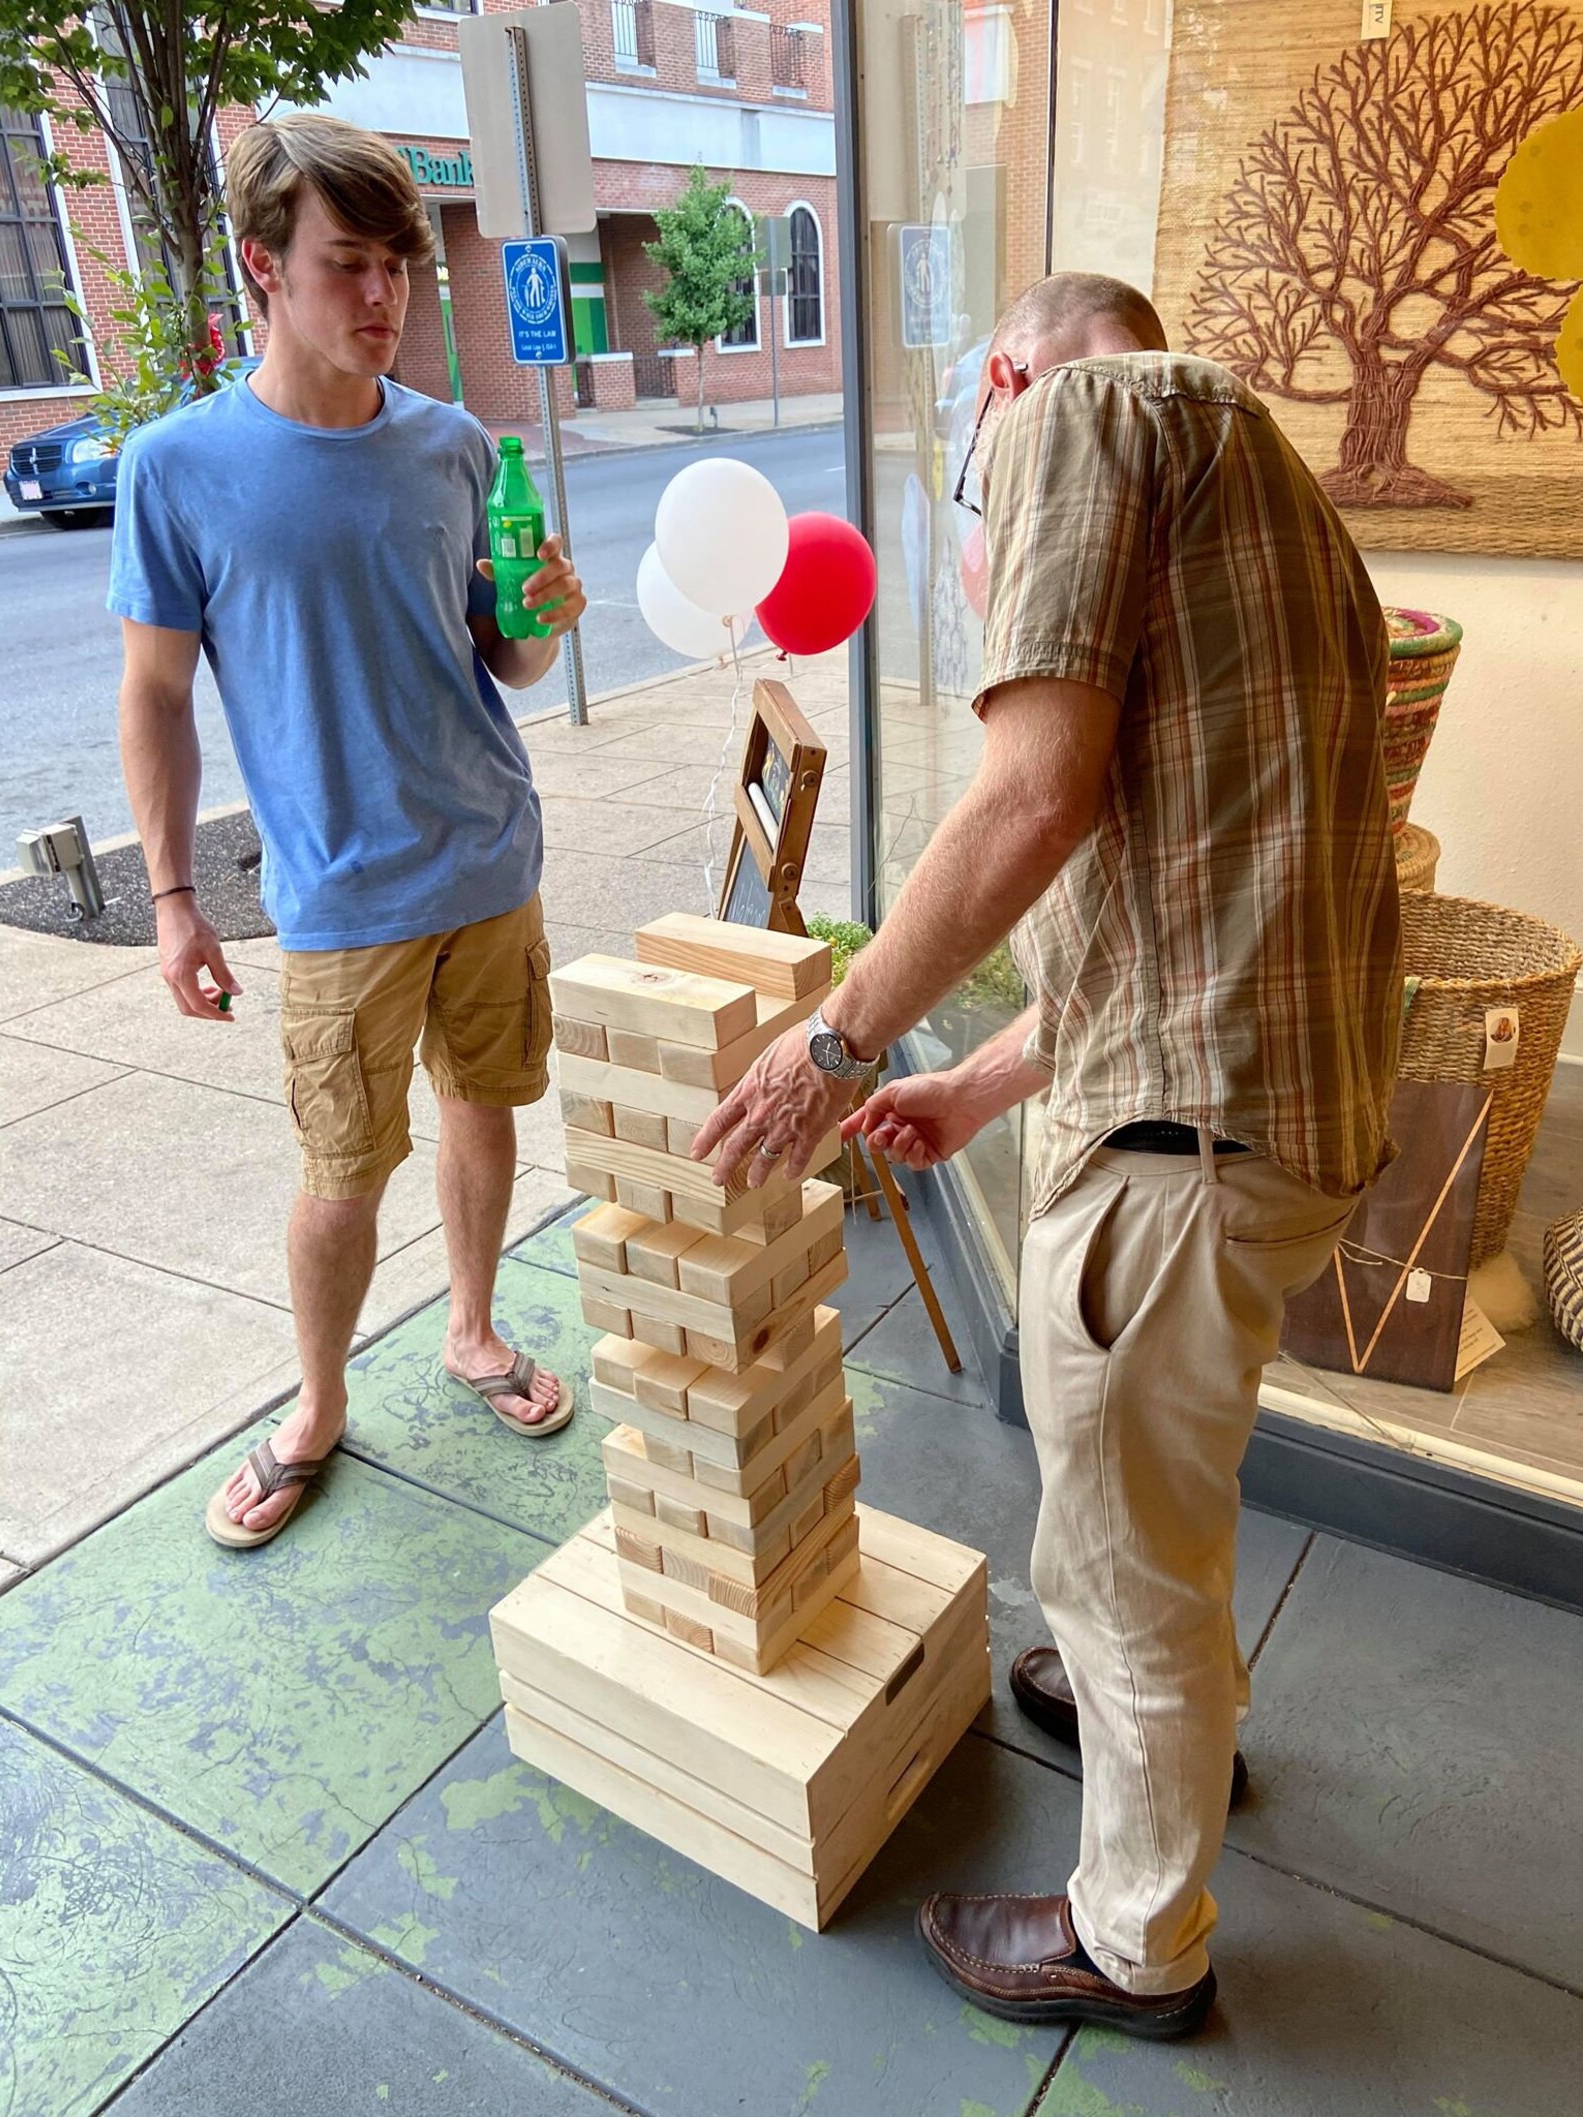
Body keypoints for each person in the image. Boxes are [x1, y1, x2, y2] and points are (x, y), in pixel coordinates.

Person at [691, 273, 1400, 2036]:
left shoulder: (1080, 417)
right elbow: (1182, 917)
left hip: (1184, 1157)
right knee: (1166, 1488)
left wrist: (839, 1036)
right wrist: (985, 1085)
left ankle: (1134, 1936)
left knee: (1119, 1545)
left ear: (1005, 373)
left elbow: (1031, 792)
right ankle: (1154, 1706)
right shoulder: (1283, 498)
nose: (985, 522)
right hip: (1275, 1118)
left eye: (969, 474)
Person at [109, 115, 587, 1551]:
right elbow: (154, 691)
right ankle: (316, 1405)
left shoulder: (451, 448)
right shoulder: (178, 466)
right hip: (335, 895)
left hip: (490, 859)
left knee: (487, 1107)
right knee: (340, 1172)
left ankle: (473, 1327)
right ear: (264, 267)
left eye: (399, 265)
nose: (383, 296)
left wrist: (540, 622)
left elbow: (496, 664)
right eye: (346, 264)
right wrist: (174, 894)